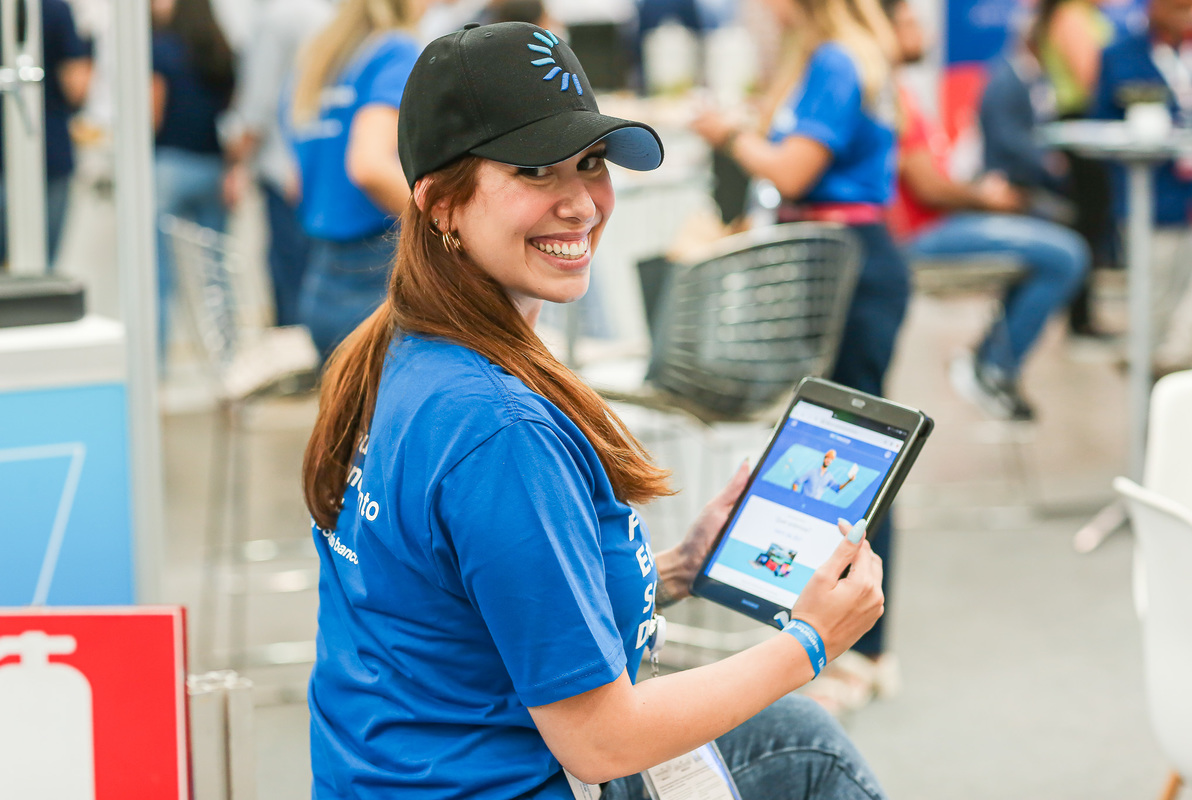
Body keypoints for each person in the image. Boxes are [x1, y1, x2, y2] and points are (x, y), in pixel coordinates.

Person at [302, 21, 888, 798]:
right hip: (505, 781)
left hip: (391, 775)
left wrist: (680, 567)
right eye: (536, 170)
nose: (580, 203)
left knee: (794, 740)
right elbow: (600, 741)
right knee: (808, 749)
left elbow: (476, 607)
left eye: (590, 163)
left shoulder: (400, 352)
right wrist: (810, 645)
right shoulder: (497, 428)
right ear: (440, 202)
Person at [690, 0, 904, 714]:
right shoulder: (819, 60)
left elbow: (793, 168)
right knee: (826, 458)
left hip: (851, 268)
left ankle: (865, 652)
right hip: (824, 267)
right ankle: (834, 639)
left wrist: (727, 133)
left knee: (858, 463)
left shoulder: (840, 63)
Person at [886, 0, 1088, 421]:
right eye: (908, 25)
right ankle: (993, 364)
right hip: (922, 234)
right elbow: (929, 187)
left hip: (944, 219)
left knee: (1057, 237)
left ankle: (993, 361)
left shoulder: (901, 91)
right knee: (1065, 254)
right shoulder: (890, 96)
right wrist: (985, 198)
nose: (922, 34)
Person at [289, 0, 427, 362]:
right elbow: (369, 166)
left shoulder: (324, 55)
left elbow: (296, 177)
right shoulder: (396, 50)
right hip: (376, 276)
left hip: (322, 277)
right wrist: (444, 224)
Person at [1092, 0, 1192, 372]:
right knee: (1153, 294)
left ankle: (1175, 360)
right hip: (1149, 194)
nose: (1185, 15)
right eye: (1177, 7)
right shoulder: (1120, 55)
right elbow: (1101, 124)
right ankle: (1150, 375)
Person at [224, 0, 333, 327]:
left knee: (290, 280)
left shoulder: (279, 18)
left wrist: (237, 165)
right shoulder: (324, 15)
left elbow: (259, 104)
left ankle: (299, 370)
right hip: (312, 168)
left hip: (284, 171)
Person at [151, 0, 236, 357]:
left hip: (169, 165)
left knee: (159, 276)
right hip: (212, 167)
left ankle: (155, 370)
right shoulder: (220, 50)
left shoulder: (160, 48)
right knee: (215, 273)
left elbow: (152, 115)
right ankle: (228, 362)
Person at [1032, 0, 1115, 338]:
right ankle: (1080, 318)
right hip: (1082, 124)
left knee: (1091, 221)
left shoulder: (1081, 15)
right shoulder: (1071, 15)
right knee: (1089, 222)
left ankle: (1082, 314)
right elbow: (1091, 79)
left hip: (1084, 124)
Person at [0, 0, 91, 272]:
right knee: (40, 274)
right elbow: (77, 87)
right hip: (47, 151)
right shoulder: (54, 10)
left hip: (40, 154)